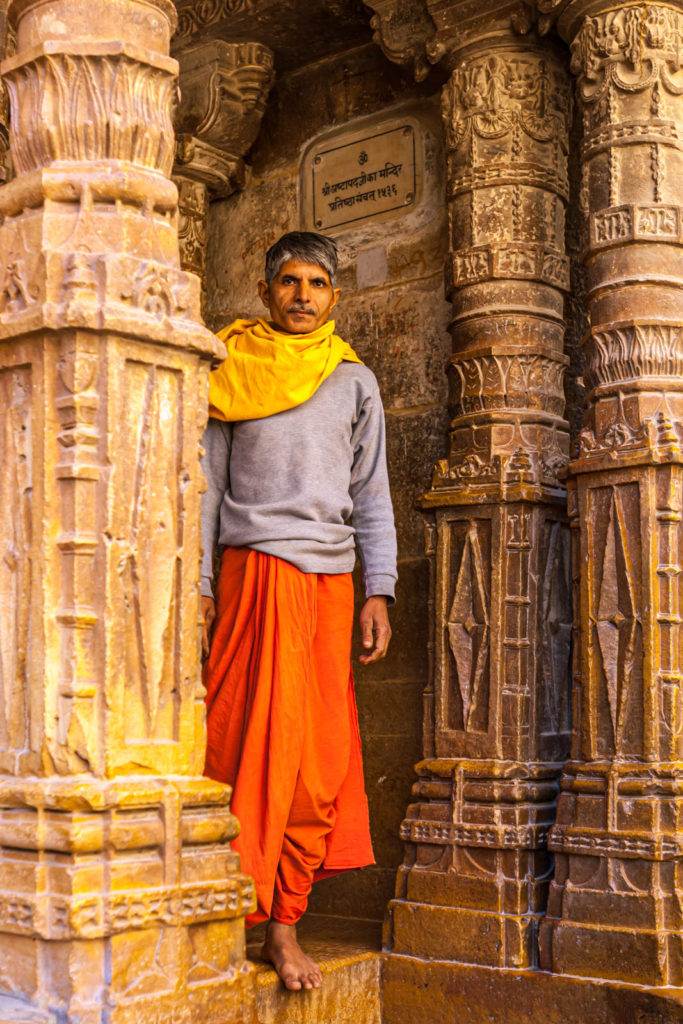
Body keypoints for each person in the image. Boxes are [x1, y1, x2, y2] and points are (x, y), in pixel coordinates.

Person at [200, 231, 397, 992]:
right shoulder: (230, 370)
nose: (303, 296)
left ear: (335, 297)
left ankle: (284, 925)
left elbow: (371, 494)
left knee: (316, 765)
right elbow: (206, 487)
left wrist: (377, 588)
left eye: (317, 284)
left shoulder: (354, 382)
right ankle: (223, 915)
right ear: (265, 289)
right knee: (240, 747)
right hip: (251, 573)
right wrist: (201, 585)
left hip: (329, 584)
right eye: (290, 282)